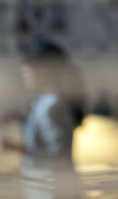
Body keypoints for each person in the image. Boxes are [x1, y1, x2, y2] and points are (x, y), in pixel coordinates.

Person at [14, 39, 86, 168]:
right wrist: (23, 121)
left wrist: (19, 149)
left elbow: (60, 156)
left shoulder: (53, 105)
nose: (24, 78)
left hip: (53, 185)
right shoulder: (45, 101)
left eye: (26, 72)